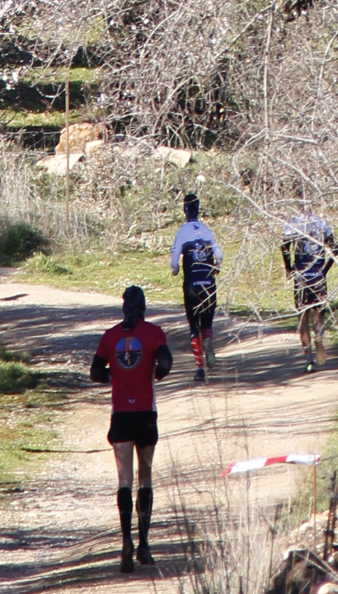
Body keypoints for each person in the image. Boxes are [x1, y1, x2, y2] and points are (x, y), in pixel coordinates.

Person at [90, 286, 173, 573]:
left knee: (124, 478)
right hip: (146, 413)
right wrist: (155, 372)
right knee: (145, 477)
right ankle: (144, 544)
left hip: (121, 414)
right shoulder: (154, 333)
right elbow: (166, 362)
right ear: (144, 307)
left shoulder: (110, 336)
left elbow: (95, 373)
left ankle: (125, 538)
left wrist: (116, 374)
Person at [170, 193, 223, 382]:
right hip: (208, 283)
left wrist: (176, 271)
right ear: (199, 209)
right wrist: (216, 267)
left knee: (193, 326)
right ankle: (208, 337)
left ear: (184, 210)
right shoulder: (207, 230)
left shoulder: (182, 232)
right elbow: (220, 255)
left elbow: (174, 263)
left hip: (192, 284)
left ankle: (200, 368)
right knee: (207, 323)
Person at [281, 208, 338, 372]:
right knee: (318, 313)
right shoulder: (322, 223)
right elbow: (335, 249)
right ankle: (319, 337)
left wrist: (289, 267)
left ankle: (309, 360)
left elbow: (284, 246)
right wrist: (325, 269)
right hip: (318, 276)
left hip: (301, 276)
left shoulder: (293, 223)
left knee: (302, 318)